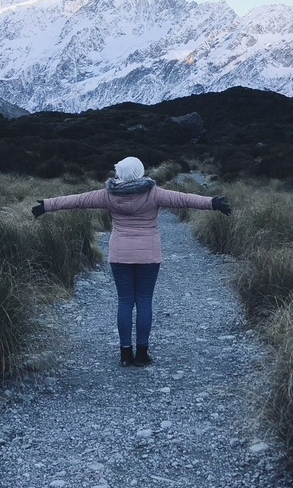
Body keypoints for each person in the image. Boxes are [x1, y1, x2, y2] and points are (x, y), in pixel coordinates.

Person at [31, 157, 232, 366]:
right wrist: (213, 203)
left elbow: (78, 200)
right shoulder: (154, 193)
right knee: (144, 301)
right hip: (149, 255)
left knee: (125, 301)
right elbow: (184, 199)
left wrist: (47, 205)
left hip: (120, 254)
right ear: (140, 172)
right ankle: (142, 353)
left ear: (121, 174)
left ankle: (125, 354)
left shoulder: (108, 194)